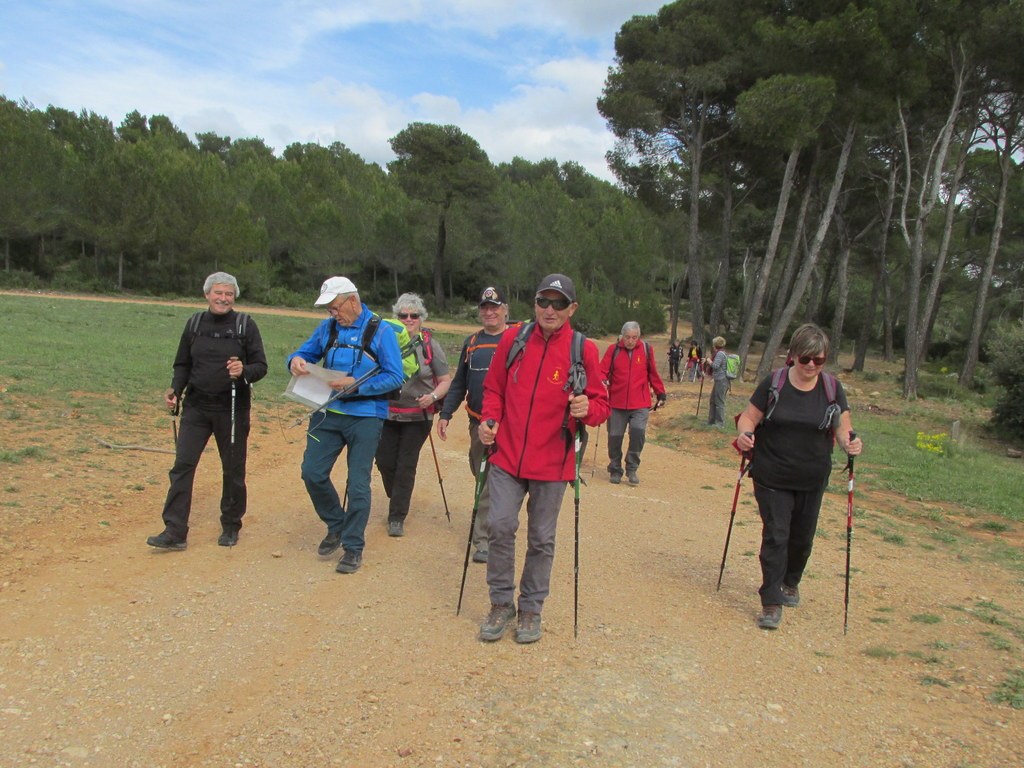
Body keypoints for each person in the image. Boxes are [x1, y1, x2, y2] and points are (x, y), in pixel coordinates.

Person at [477, 273, 610, 644]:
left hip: (553, 462)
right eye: (543, 301)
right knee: (500, 526)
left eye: (558, 303)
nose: (549, 309)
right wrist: (490, 421)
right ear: (534, 303)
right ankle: (501, 603)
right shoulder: (513, 340)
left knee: (541, 538)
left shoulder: (583, 349)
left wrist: (588, 408)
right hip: (506, 456)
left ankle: (532, 607)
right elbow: (494, 389)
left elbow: (601, 405)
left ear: (572, 309)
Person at [735, 323, 863, 630]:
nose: (810, 366)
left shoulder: (831, 388)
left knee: (802, 539)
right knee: (776, 534)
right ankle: (771, 600)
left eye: (818, 360)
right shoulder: (775, 383)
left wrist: (850, 442)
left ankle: (791, 581)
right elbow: (749, 417)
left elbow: (843, 427)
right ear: (792, 355)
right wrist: (744, 435)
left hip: (812, 477)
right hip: (772, 474)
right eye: (805, 359)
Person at [287, 276, 405, 574]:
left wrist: (357, 386)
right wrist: (295, 361)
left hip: (366, 415)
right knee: (312, 472)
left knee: (358, 482)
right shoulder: (327, 328)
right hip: (327, 411)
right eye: (329, 309)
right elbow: (304, 352)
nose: (333, 314)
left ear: (353, 300)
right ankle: (336, 524)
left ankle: (353, 547)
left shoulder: (381, 331)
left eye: (335, 307)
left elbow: (395, 377)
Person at [148, 272, 268, 550]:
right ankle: (174, 531)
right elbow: (182, 365)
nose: (223, 298)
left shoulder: (245, 325)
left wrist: (244, 371)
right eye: (218, 293)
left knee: (233, 469)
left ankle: (231, 525)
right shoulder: (194, 324)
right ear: (207, 294)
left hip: (232, 409)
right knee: (182, 466)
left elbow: (261, 366)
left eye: (228, 294)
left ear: (234, 297)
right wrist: (175, 390)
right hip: (196, 407)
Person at [437, 286, 513, 563]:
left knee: (493, 480)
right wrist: (446, 413)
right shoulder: (472, 343)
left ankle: (484, 539)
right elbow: (459, 383)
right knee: (480, 474)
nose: (489, 312)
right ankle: (492, 526)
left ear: (505, 309)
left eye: (494, 307)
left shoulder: (517, 341)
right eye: (484, 308)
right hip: (478, 424)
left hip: (510, 427)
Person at [374, 293, 451, 538]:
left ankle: (397, 516)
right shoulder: (385, 342)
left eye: (413, 315)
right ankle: (397, 494)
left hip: (418, 417)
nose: (408, 319)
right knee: (385, 461)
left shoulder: (430, 346)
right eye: (402, 315)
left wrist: (433, 397)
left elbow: (445, 380)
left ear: (421, 318)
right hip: (387, 413)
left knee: (406, 465)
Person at [601, 321, 666, 486]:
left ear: (639, 337)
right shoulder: (613, 350)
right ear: (622, 336)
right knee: (614, 437)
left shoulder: (646, 350)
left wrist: (660, 393)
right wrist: (602, 381)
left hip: (640, 403)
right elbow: (602, 371)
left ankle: (632, 467)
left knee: (638, 432)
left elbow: (653, 373)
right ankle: (615, 468)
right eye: (628, 337)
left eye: (635, 338)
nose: (631, 341)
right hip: (616, 402)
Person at [707, 336, 728, 427]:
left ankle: (720, 423)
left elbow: (715, 366)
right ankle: (711, 421)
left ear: (716, 344)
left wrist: (709, 361)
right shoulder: (721, 353)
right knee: (712, 400)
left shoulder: (720, 354)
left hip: (721, 380)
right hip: (718, 380)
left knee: (719, 401)